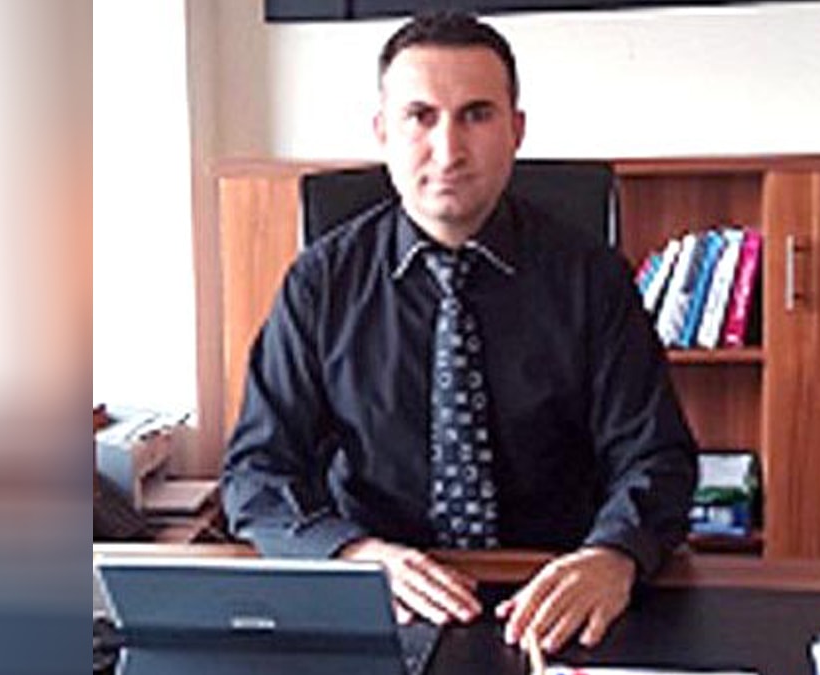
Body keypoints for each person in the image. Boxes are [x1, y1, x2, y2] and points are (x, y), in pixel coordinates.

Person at [222, 10, 696, 656]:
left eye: (476, 115)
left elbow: (658, 459)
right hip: (379, 597)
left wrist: (614, 553)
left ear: (516, 130)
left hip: (555, 597)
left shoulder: (592, 277)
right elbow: (256, 474)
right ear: (382, 131)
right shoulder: (321, 283)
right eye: (420, 117)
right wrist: (350, 554)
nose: (449, 150)